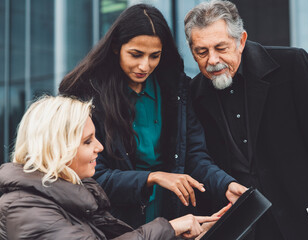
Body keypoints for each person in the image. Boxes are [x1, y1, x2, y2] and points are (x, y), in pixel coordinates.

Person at [59, 3, 245, 228]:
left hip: (173, 218)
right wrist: (152, 177)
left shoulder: (177, 90)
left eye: (154, 56)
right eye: (136, 55)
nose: (144, 66)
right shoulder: (87, 96)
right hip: (115, 224)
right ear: (117, 47)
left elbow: (195, 155)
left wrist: (225, 185)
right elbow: (88, 177)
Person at [184, 1, 308, 240]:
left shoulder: (292, 65)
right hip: (242, 231)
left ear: (241, 41)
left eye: (221, 48)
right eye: (201, 52)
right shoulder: (193, 94)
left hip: (301, 222)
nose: (212, 60)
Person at [0, 95, 222, 240]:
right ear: (57, 148)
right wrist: (169, 228)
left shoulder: (73, 195)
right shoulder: (24, 208)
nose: (99, 147)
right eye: (88, 141)